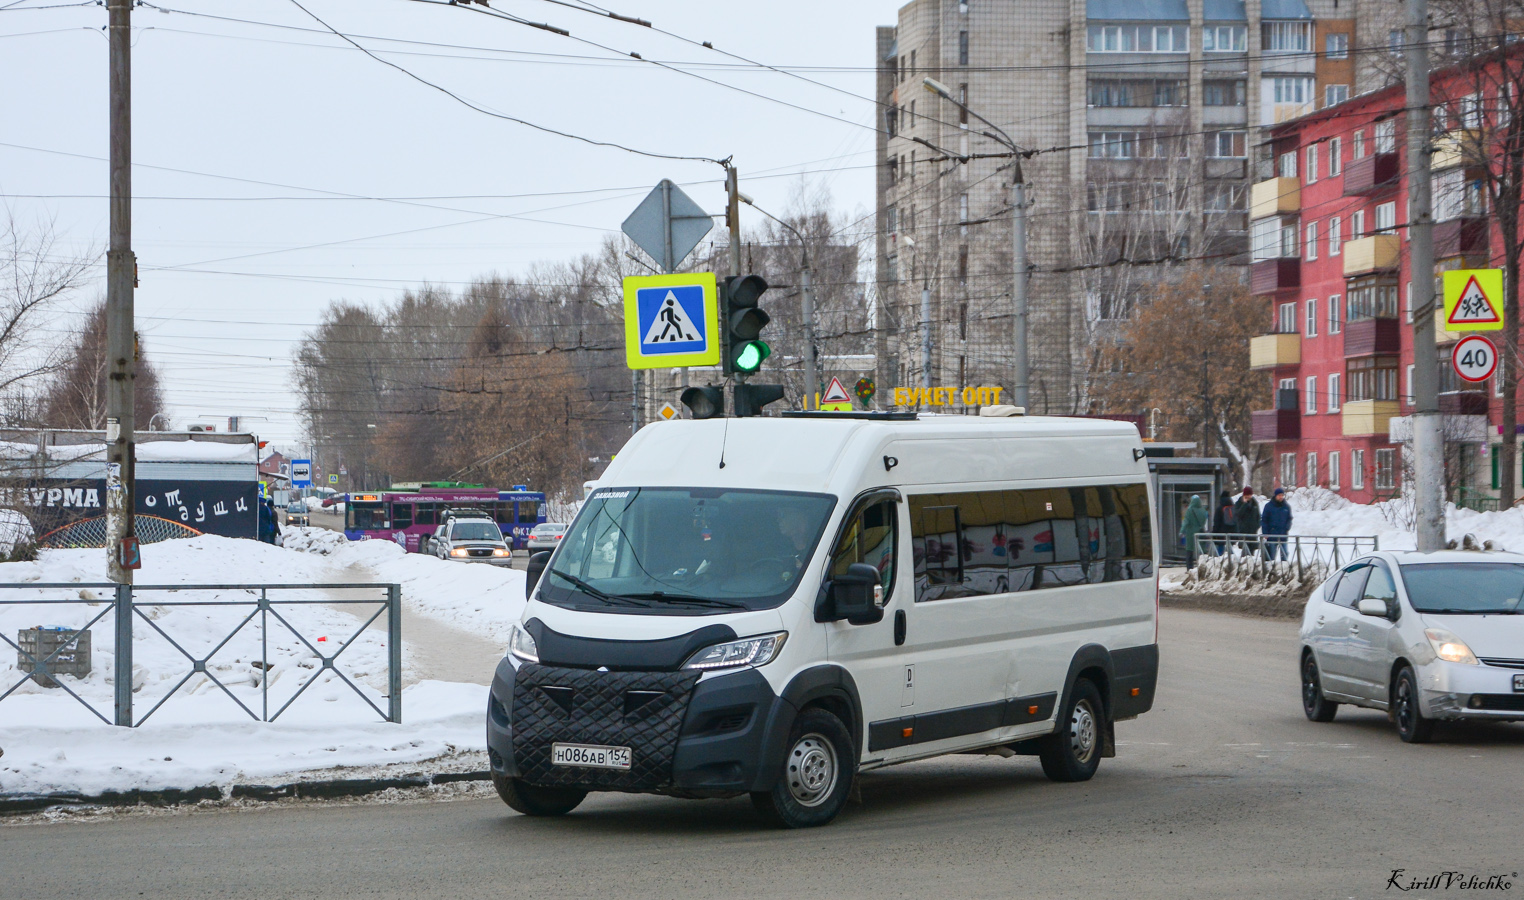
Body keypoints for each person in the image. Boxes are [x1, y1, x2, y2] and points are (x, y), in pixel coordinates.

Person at [1261, 488, 1293, 561]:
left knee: (1285, 554)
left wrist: (1287, 527)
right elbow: (1264, 520)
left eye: (1282, 495)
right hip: (1272, 534)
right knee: (1271, 556)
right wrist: (1265, 533)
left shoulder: (1286, 506)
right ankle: (1271, 569)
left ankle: (1284, 569)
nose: (1281, 497)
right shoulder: (1269, 506)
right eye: (1279, 495)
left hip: (1283, 534)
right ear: (1275, 496)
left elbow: (1289, 518)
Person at [1179, 494, 1208, 569]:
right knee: (1201, 550)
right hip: (1201, 532)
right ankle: (1203, 566)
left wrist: (1182, 531)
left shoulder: (1190, 510)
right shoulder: (1203, 510)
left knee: (1189, 551)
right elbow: (1205, 521)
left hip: (1191, 533)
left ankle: (1190, 568)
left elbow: (1186, 521)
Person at [1233, 487, 1261, 553]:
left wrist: (1257, 525)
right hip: (1243, 532)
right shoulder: (1239, 503)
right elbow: (1238, 514)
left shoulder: (1254, 503)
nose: (1248, 496)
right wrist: (1244, 504)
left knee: (1252, 552)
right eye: (1247, 495)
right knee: (1245, 553)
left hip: (1253, 532)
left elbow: (1258, 515)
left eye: (1250, 495)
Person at [1210, 490, 1235, 556]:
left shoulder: (1219, 508)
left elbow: (1216, 522)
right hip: (1231, 534)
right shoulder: (1233, 507)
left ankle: (1221, 562)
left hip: (1221, 534)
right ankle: (1231, 562)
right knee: (1230, 552)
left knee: (1220, 552)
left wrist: (1214, 533)